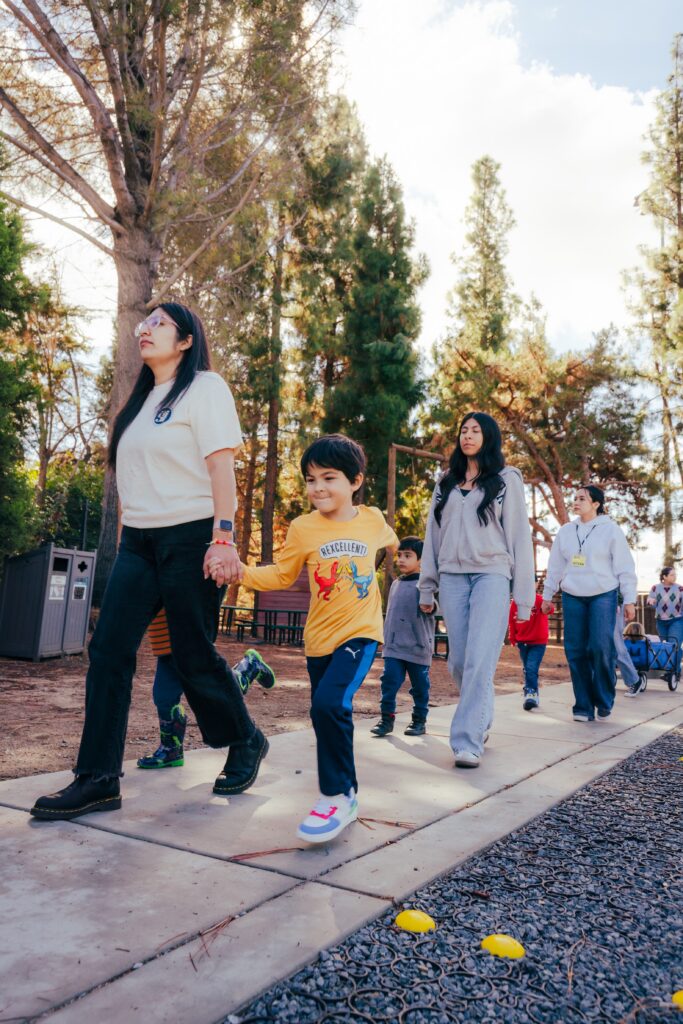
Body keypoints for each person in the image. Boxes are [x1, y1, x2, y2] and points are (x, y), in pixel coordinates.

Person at [31, 302, 268, 821]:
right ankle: (97, 779)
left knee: (189, 653)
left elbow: (220, 467)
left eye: (160, 322)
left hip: (192, 536)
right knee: (109, 650)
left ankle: (244, 738)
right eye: (145, 322)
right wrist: (123, 546)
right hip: (140, 541)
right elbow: (131, 490)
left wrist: (223, 539)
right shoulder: (137, 407)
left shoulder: (205, 387)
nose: (146, 328)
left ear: (185, 340)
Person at [232, 434, 398, 844]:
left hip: (361, 633)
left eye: (329, 477)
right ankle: (350, 793)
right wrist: (241, 572)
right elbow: (282, 575)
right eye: (310, 479)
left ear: (355, 481)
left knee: (330, 704)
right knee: (325, 714)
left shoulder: (373, 519)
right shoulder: (303, 527)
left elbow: (393, 544)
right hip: (318, 640)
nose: (318, 488)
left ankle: (335, 796)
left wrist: (406, 572)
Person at [418, 412, 535, 769]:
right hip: (452, 576)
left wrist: (525, 599)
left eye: (476, 431)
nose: (468, 436)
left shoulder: (506, 479)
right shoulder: (446, 482)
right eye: (463, 430)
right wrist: (427, 586)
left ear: (489, 437)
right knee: (459, 661)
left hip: (492, 575)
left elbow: (519, 537)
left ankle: (466, 742)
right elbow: (431, 537)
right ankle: (482, 716)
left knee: (480, 659)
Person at [541, 485, 637, 723]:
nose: (576, 501)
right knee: (575, 650)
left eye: (582, 498)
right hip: (572, 594)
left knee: (600, 647)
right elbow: (554, 566)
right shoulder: (565, 532)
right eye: (575, 498)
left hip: (603, 594)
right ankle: (583, 705)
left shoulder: (611, 530)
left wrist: (630, 599)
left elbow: (625, 567)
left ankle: (604, 698)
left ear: (596, 504)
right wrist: (547, 594)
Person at [137, 608, 276, 769]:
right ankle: (171, 750)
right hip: (164, 644)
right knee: (163, 696)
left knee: (213, 691)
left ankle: (249, 667)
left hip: (188, 636)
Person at [370, 536, 436, 738]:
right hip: (394, 647)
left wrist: (431, 606)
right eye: (399, 555)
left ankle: (419, 721)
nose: (401, 559)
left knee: (420, 687)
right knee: (389, 682)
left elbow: (433, 606)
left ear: (421, 560)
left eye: (408, 555)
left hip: (417, 647)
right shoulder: (396, 584)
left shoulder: (425, 585)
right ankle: (386, 719)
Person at [508, 586, 554, 711]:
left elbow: (549, 609)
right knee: (528, 669)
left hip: (538, 642)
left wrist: (548, 606)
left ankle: (530, 695)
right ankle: (534, 693)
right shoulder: (514, 603)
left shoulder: (539, 599)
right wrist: (513, 638)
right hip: (522, 642)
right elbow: (511, 622)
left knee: (531, 668)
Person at [646, 566, 683, 682]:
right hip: (661, 621)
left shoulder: (680, 589)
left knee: (674, 645)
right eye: (672, 575)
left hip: (676, 620)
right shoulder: (655, 588)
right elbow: (651, 601)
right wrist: (651, 602)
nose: (675, 577)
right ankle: (670, 672)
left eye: (675, 574)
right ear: (664, 577)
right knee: (666, 647)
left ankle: (674, 673)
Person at [615, 597, 642, 698]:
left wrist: (628, 602)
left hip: (614, 600)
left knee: (616, 644)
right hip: (589, 597)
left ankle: (634, 680)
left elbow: (627, 581)